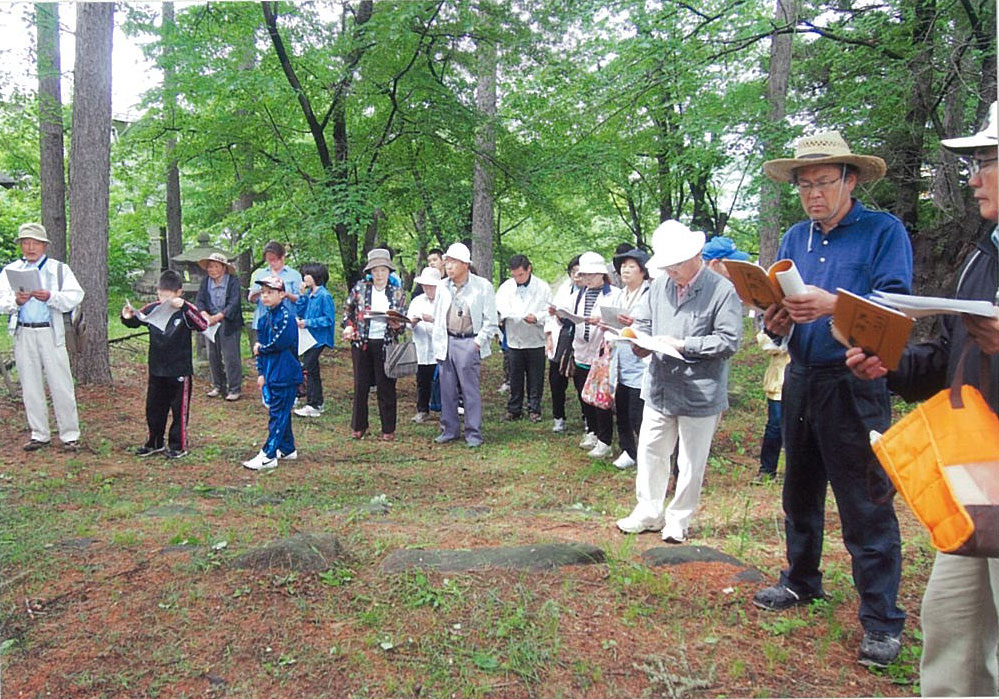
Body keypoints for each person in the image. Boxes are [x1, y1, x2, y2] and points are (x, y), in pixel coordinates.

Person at [846, 101, 998, 692]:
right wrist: (888, 363)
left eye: (986, 161)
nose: (973, 176)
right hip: (977, 474)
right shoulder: (983, 255)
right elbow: (946, 360)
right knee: (952, 632)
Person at [752, 130, 912, 668]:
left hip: (855, 382)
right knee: (799, 490)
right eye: (803, 185)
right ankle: (801, 579)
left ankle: (882, 620)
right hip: (801, 375)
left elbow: (895, 306)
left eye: (823, 182)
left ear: (851, 179)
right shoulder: (797, 237)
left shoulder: (882, 232)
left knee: (865, 502)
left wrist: (834, 305)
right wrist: (774, 319)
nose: (813, 194)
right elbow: (781, 308)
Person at [616, 220, 742, 542]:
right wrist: (638, 339)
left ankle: (679, 518)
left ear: (696, 255)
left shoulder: (721, 289)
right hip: (660, 384)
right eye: (666, 266)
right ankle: (648, 510)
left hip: (700, 390)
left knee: (690, 460)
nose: (670, 271)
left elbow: (729, 341)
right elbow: (644, 319)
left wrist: (685, 345)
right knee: (650, 448)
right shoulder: (659, 285)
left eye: (675, 265)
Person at [0, 223, 84, 451]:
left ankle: (69, 434)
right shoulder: (11, 270)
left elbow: (75, 296)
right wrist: (16, 302)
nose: (30, 247)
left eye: (35, 243)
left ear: (44, 245)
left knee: (61, 383)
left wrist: (50, 296)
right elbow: (1, 301)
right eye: (26, 242)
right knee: (30, 384)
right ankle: (39, 433)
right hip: (24, 331)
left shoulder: (58, 269)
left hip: (50, 331)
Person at [122, 269, 209, 459]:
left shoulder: (185, 311)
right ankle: (154, 441)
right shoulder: (153, 308)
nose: (164, 301)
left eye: (168, 297)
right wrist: (127, 317)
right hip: (157, 367)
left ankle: (178, 445)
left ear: (179, 293)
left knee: (179, 410)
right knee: (154, 408)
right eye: (161, 296)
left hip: (179, 369)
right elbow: (137, 320)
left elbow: (203, 325)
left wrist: (184, 306)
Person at [432, 242, 498, 448]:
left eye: (453, 262)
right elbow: (437, 315)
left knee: (469, 390)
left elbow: (491, 320)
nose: (449, 266)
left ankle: (473, 433)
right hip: (447, 340)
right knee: (447, 389)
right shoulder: (442, 286)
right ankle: (449, 429)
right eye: (447, 262)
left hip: (469, 340)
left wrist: (478, 343)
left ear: (465, 265)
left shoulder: (482, 286)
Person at [342, 248, 407, 441]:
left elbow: (403, 323)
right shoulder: (360, 288)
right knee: (361, 385)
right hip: (362, 342)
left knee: (386, 386)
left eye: (383, 270)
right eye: (376, 270)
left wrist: (397, 325)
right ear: (370, 272)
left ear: (389, 272)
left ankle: (388, 428)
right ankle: (359, 425)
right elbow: (347, 312)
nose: (379, 274)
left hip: (386, 344)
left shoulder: (397, 293)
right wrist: (348, 327)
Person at [243, 275, 302, 470]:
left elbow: (279, 343)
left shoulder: (287, 317)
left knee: (277, 414)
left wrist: (261, 349)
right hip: (271, 374)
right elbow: (258, 346)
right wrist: (261, 373)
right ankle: (287, 448)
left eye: (270, 293)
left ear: (282, 294)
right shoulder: (264, 317)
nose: (266, 297)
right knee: (279, 410)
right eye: (263, 293)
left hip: (286, 374)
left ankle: (268, 454)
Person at [571, 251, 622, 459]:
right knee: (585, 394)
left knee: (601, 398)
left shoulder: (615, 294)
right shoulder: (578, 294)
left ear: (602, 274)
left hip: (602, 353)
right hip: (581, 350)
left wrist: (600, 321)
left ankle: (605, 439)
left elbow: (619, 323)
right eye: (585, 275)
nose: (588, 279)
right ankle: (591, 430)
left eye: (592, 274)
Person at [495, 254, 552, 422]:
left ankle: (534, 408)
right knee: (515, 375)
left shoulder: (543, 287)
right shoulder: (506, 287)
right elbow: (498, 306)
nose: (518, 279)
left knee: (535, 376)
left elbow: (549, 312)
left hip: (535, 339)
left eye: (521, 275)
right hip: (514, 338)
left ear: (529, 269)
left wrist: (537, 318)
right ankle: (514, 408)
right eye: (514, 276)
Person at [608, 248, 651, 469]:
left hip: (641, 360)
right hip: (620, 358)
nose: (625, 270)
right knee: (621, 409)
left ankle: (646, 453)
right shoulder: (618, 293)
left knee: (639, 412)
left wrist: (632, 323)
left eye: (631, 266)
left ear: (643, 271)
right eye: (623, 266)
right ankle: (628, 450)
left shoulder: (650, 294)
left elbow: (653, 325)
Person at [195, 252, 244, 402]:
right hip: (210, 323)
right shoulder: (205, 282)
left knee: (231, 356)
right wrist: (205, 315)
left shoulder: (233, 281)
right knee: (212, 355)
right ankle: (218, 385)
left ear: (223, 268)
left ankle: (234, 388)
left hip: (228, 322)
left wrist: (220, 316)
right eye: (210, 267)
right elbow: (200, 300)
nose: (212, 270)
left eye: (216, 266)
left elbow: (234, 303)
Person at [293, 262, 336, 418]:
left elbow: (328, 319)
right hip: (308, 338)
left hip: (319, 338)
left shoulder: (324, 296)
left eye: (307, 275)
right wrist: (302, 296)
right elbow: (301, 311)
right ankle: (315, 402)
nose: (304, 278)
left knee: (310, 367)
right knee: (311, 368)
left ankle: (314, 403)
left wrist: (308, 323)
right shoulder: (310, 295)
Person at [545, 255, 581, 434]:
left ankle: (588, 419)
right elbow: (551, 315)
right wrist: (549, 337)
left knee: (582, 380)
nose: (578, 277)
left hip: (583, 338)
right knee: (556, 379)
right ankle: (558, 417)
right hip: (562, 336)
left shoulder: (595, 292)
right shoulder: (563, 289)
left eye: (582, 273)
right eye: (574, 273)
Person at [248, 240, 301, 342]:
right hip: (264, 319)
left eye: (274, 260)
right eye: (269, 260)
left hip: (286, 320)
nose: (272, 263)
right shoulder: (260, 274)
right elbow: (251, 299)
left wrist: (286, 295)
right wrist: (262, 291)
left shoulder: (294, 275)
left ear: (282, 257)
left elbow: (301, 299)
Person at [408, 266, 441, 423]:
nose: (428, 289)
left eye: (431, 286)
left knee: (441, 380)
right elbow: (408, 322)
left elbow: (448, 325)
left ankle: (445, 409)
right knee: (422, 380)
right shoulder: (417, 301)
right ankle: (422, 409)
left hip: (438, 349)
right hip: (421, 347)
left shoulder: (444, 301)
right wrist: (413, 322)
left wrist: (433, 320)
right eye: (425, 286)